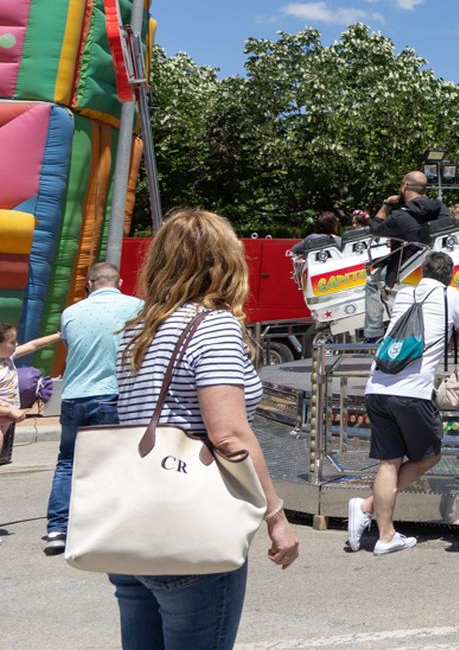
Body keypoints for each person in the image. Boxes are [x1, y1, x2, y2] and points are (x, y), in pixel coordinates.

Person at [109, 209, 298, 649]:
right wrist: (276, 517)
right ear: (226, 263)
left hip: (131, 524)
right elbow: (229, 435)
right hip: (188, 527)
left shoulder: (138, 329)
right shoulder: (213, 328)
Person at [347, 250, 459, 556]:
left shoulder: (405, 294)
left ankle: (385, 533)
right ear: (451, 275)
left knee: (388, 461)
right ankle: (367, 507)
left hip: (377, 386)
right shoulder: (450, 295)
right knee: (429, 455)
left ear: (421, 271)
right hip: (412, 391)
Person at [42, 262, 143, 557]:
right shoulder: (136, 306)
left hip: (73, 397)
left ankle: (57, 529)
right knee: (113, 463)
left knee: (67, 462)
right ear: (120, 281)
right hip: (112, 395)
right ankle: (107, 528)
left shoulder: (70, 312)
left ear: (90, 283)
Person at [363, 171, 445, 340]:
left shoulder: (400, 216)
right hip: (439, 264)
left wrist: (386, 204)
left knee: (372, 281)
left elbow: (375, 229)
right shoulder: (440, 208)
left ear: (405, 186)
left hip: (408, 269)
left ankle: (373, 334)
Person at [0, 323, 60, 466]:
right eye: (12, 342)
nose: (17, 344)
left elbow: (33, 345)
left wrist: (59, 336)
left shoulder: (8, 358)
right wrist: (10, 410)